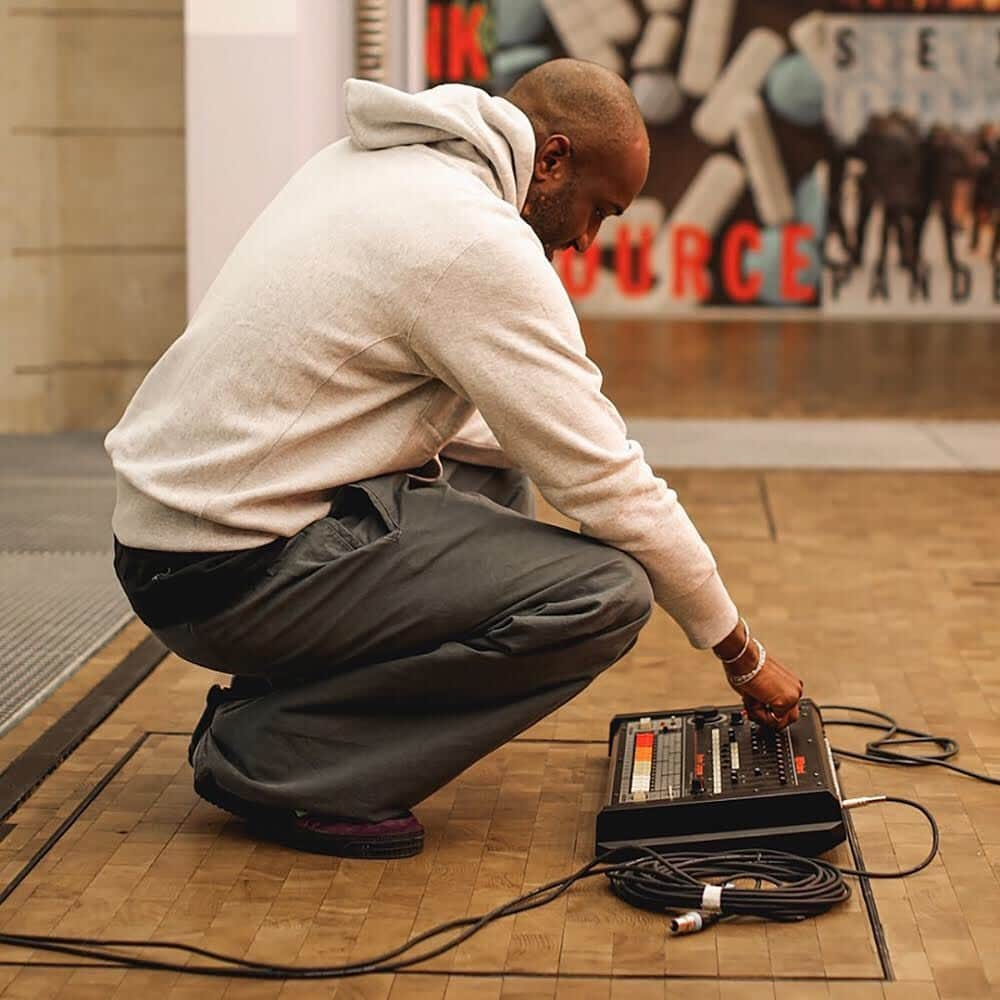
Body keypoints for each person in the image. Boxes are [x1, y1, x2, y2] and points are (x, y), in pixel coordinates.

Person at [105, 60, 803, 860]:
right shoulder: (472, 239)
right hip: (228, 575)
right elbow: (608, 484)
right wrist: (740, 654)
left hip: (173, 538)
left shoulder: (369, 165)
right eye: (598, 210)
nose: (586, 240)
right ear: (552, 161)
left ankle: (307, 709)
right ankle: (281, 756)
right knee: (604, 594)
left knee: (500, 464)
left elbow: (527, 441)